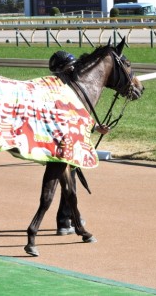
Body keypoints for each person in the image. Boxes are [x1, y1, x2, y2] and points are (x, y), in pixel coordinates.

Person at [49, 50, 111, 235]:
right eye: (70, 68)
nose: (74, 70)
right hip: (61, 144)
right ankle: (67, 219)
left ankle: (65, 218)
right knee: (66, 180)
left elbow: (77, 118)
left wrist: (95, 127)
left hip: (63, 142)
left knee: (69, 179)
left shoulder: (65, 89)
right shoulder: (61, 92)